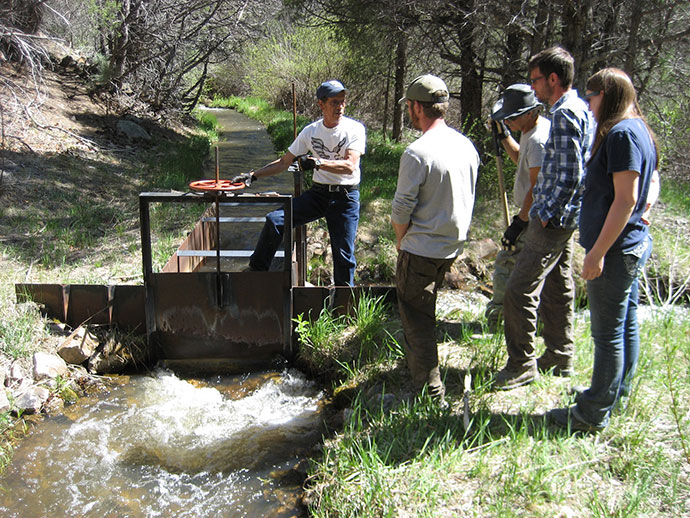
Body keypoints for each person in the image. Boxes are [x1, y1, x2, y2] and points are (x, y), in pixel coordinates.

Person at [549, 68, 657, 432]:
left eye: (591, 97)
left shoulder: (623, 134)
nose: (589, 105)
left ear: (606, 95)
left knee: (607, 332)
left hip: (616, 250)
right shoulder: (638, 129)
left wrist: (596, 253)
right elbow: (645, 189)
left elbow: (625, 199)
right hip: (629, 243)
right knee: (625, 323)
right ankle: (614, 393)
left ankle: (592, 413)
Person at [494, 46, 594, 389]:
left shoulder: (565, 114)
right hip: (564, 217)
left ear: (553, 78)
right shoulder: (579, 109)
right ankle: (559, 354)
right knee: (556, 284)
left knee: (519, 290)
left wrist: (545, 215)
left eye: (536, 80)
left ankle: (521, 364)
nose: (534, 87)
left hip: (553, 218)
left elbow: (571, 173)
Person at [392, 74, 479, 401]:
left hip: (421, 248)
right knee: (424, 313)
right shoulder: (466, 145)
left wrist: (401, 241)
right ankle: (418, 372)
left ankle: (429, 394)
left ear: (416, 107)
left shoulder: (417, 153)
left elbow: (400, 211)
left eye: (410, 107)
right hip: (451, 247)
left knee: (417, 320)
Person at [233, 80, 365, 286]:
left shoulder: (354, 129)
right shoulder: (310, 132)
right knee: (275, 220)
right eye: (334, 102)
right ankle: (256, 272)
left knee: (343, 255)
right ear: (321, 105)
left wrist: (317, 162)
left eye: (342, 102)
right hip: (318, 195)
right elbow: (284, 162)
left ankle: (343, 309)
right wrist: (252, 175)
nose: (340, 107)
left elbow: (350, 165)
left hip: (345, 198)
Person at [484, 84, 551, 330]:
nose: (509, 121)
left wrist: (519, 223)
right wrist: (504, 136)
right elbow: (520, 159)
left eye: (512, 117)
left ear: (531, 112)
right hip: (530, 215)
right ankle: (531, 319)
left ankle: (500, 320)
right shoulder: (530, 131)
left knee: (506, 262)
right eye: (506, 117)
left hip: (534, 218)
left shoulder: (539, 141)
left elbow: (537, 186)